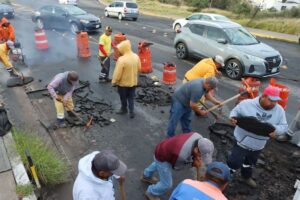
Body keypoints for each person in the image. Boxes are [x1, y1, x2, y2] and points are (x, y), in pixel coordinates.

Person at [227, 86, 288, 188]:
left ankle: (246, 177)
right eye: (271, 100)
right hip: (242, 142)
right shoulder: (247, 104)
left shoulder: (279, 110)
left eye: (276, 101)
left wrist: (277, 131)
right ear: (263, 96)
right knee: (234, 161)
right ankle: (227, 176)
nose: (274, 103)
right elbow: (235, 112)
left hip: (258, 145)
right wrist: (232, 117)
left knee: (250, 163)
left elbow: (284, 126)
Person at [141, 132, 214, 200]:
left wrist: (195, 158)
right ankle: (151, 192)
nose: (201, 158)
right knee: (167, 184)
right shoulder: (182, 155)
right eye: (200, 156)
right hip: (163, 155)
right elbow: (176, 167)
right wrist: (192, 164)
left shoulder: (198, 136)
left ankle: (146, 176)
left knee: (157, 164)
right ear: (196, 150)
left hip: (164, 147)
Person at [112, 40, 141, 118]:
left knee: (123, 97)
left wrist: (114, 81)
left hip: (123, 84)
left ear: (123, 49)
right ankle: (131, 111)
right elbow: (139, 68)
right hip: (133, 82)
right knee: (131, 97)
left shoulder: (121, 60)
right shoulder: (136, 56)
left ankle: (124, 109)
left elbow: (117, 74)